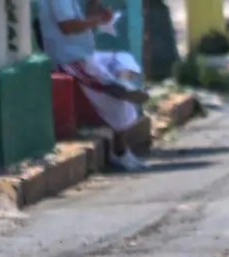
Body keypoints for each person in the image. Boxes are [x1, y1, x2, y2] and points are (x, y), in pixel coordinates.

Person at [38, 0, 150, 171]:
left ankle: (122, 82)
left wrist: (95, 8)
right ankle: (120, 152)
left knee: (124, 60)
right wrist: (97, 21)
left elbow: (81, 22)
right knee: (112, 96)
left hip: (86, 54)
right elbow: (67, 26)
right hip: (69, 59)